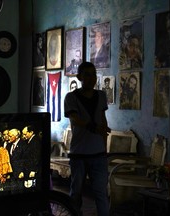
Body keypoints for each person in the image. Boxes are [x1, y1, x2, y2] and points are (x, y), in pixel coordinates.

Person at [64, 61, 111, 216]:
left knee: (100, 193)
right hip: (79, 153)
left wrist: (104, 148)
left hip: (98, 153)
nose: (91, 78)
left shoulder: (101, 95)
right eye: (87, 75)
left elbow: (103, 119)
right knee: (76, 193)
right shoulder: (71, 97)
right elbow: (75, 119)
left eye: (94, 75)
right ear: (79, 77)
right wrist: (93, 127)